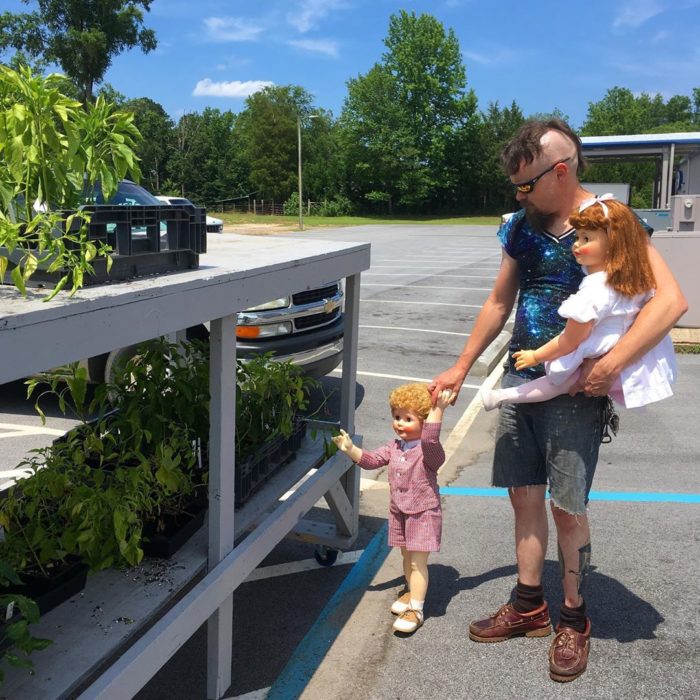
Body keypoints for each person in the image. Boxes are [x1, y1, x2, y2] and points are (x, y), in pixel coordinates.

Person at [429, 118, 687, 682]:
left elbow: (669, 301)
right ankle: (529, 607)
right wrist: (461, 364)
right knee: (523, 496)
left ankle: (574, 615)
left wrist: (611, 364)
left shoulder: (611, 223)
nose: (519, 196)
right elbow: (500, 303)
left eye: (526, 185)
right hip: (524, 381)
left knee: (567, 508)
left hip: (575, 392)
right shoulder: (523, 226)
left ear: (561, 170)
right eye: (515, 187)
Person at [480, 195, 677, 412]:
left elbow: (570, 340)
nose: (576, 245)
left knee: (557, 382)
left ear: (613, 245)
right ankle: (502, 396)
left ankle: (502, 396)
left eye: (586, 239)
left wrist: (536, 356)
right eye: (577, 237)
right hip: (621, 360)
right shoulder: (627, 280)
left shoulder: (595, 290)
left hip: (597, 354)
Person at [332, 383, 453, 634]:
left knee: (419, 563)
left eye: (408, 418)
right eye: (397, 416)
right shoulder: (394, 446)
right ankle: (411, 593)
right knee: (406, 556)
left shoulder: (430, 452)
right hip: (400, 511)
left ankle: (416, 609)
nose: (400, 423)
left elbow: (430, 437)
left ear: (423, 419)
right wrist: (350, 449)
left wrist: (438, 409)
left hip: (423, 513)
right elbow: (372, 460)